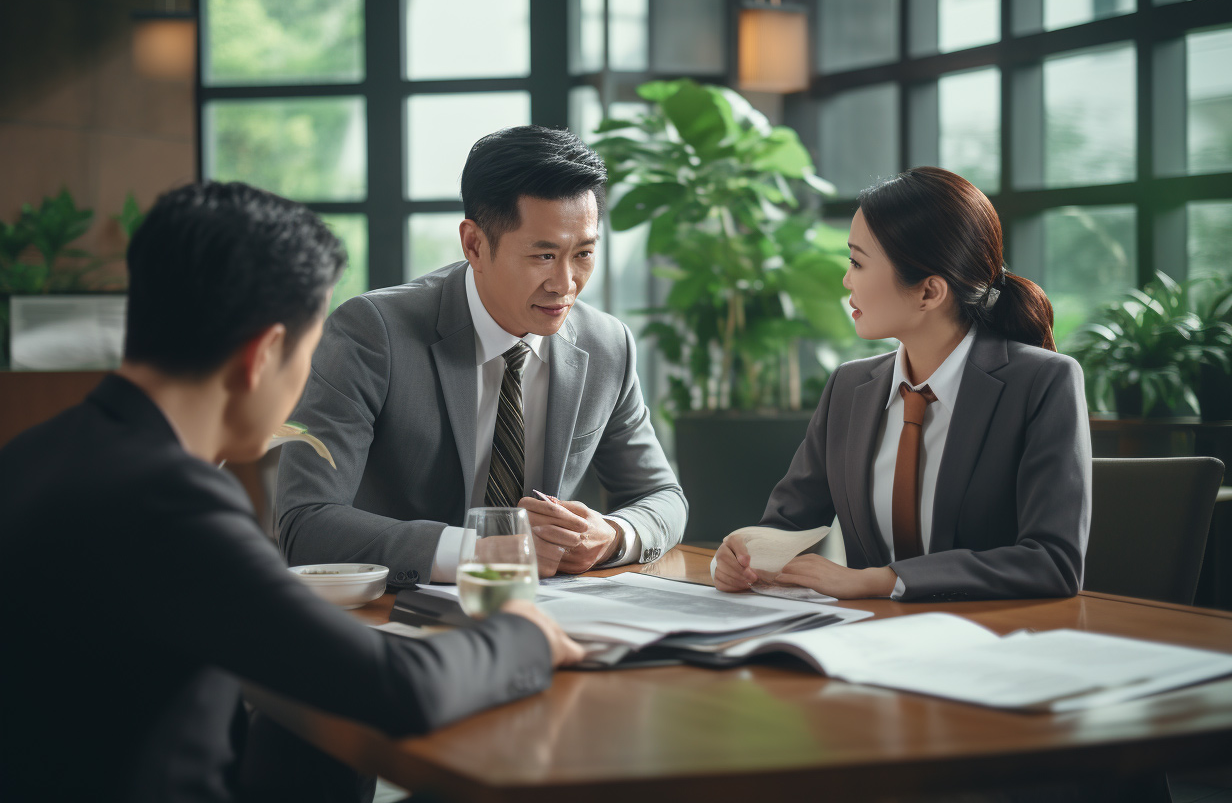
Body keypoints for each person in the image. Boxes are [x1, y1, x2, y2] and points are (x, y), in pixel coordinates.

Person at [0, 182, 582, 803]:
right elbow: (396, 688)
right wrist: (526, 633)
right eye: (306, 355)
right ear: (263, 355)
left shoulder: (32, 457)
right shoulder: (168, 502)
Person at [276, 126, 686, 583]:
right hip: (397, 615)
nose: (565, 283)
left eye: (584, 253)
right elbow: (304, 522)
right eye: (544, 256)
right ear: (474, 244)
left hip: (555, 614)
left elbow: (663, 497)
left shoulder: (607, 345)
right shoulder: (374, 333)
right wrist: (482, 553)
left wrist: (612, 534)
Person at [713, 166, 1091, 601]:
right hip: (867, 642)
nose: (845, 279)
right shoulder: (849, 388)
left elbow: (1052, 561)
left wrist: (882, 580)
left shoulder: (1044, 382)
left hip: (994, 642)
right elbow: (786, 524)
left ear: (929, 292)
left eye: (857, 261)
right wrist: (743, 557)